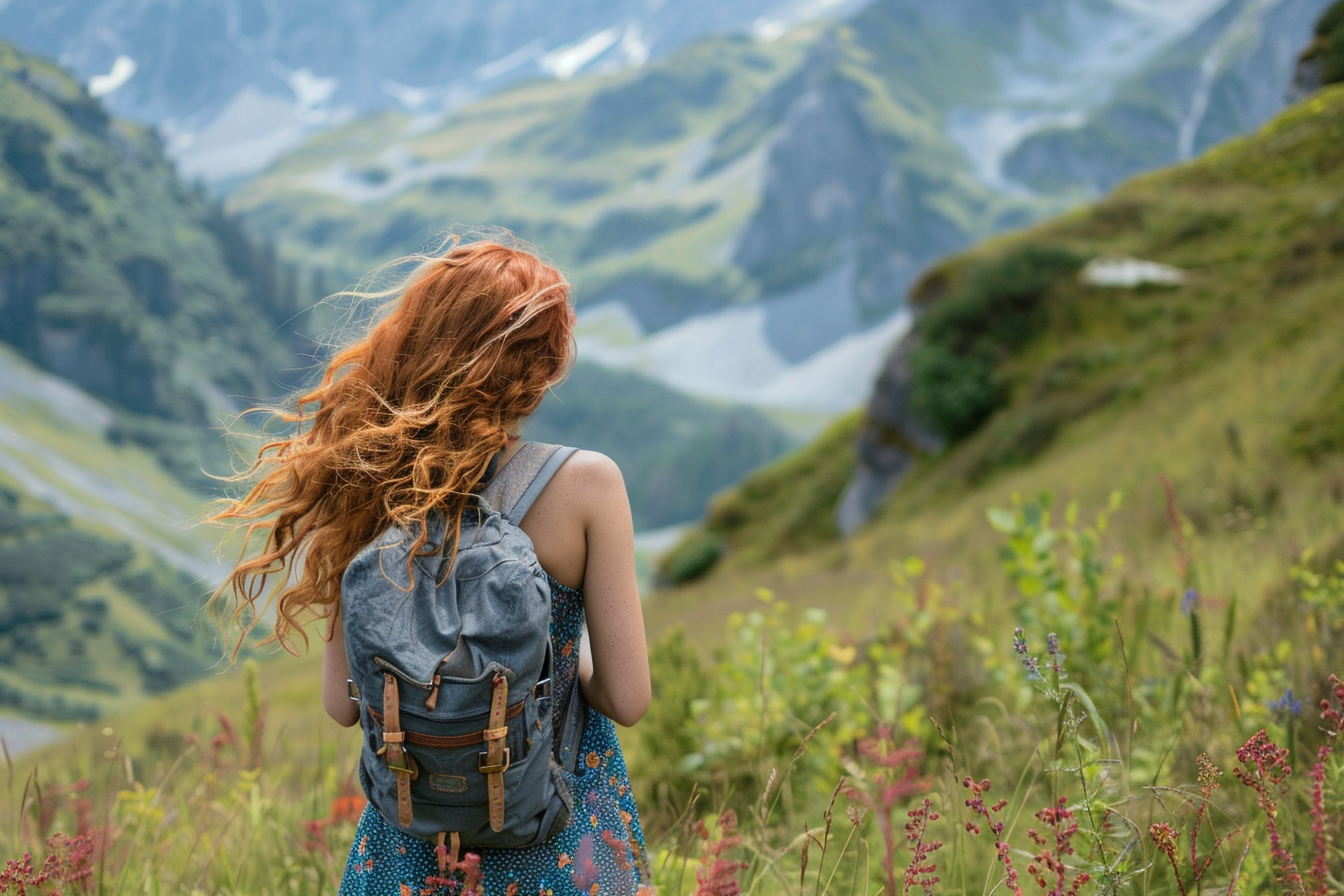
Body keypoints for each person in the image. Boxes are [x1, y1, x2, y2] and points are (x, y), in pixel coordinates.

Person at [210, 239, 653, 895]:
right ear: (542, 365)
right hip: (562, 844)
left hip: (412, 854)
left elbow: (342, 704)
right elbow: (628, 698)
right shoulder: (587, 485)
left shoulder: (364, 486)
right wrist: (554, 648)